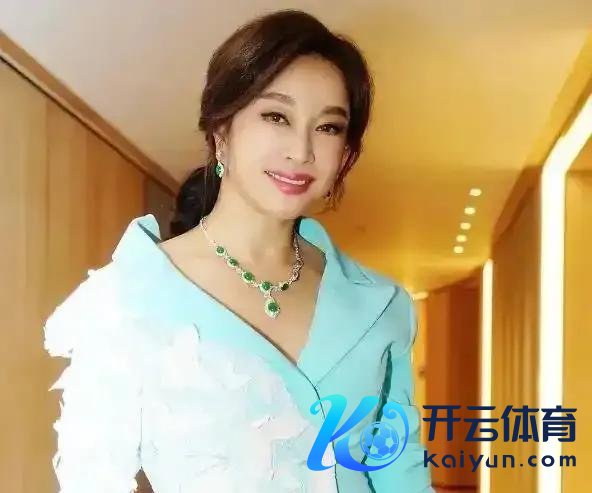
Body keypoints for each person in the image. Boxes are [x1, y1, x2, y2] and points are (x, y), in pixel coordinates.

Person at [43, 9, 434, 493]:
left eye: (329, 127)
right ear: (221, 130)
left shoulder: (381, 307)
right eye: (276, 116)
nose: (302, 150)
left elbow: (401, 472)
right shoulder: (129, 296)